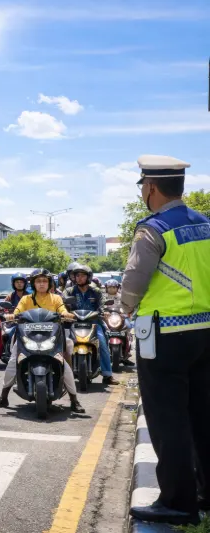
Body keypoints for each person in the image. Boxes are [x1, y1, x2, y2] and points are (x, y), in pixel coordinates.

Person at [125, 155, 210, 526]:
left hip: (164, 336)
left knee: (167, 420)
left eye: (143, 187)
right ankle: (206, 493)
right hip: (205, 332)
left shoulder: (153, 228)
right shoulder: (205, 224)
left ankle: (178, 502)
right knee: (203, 415)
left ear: (151, 188)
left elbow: (134, 280)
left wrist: (124, 307)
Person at [0, 269, 85, 413]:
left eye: (44, 281)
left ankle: (74, 400)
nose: (41, 284)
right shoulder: (26, 299)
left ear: (49, 283)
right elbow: (17, 311)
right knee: (13, 361)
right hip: (27, 337)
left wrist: (67, 314)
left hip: (52, 337)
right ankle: (3, 396)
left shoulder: (56, 298)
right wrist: (12, 316)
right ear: (33, 284)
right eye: (38, 281)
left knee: (65, 365)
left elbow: (62, 309)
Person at [63, 264, 119, 386]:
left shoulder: (96, 291)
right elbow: (62, 303)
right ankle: (62, 374)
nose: (79, 278)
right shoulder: (69, 291)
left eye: (82, 275)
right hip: (74, 323)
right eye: (77, 275)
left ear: (88, 277)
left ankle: (107, 374)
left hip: (94, 323)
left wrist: (104, 312)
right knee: (63, 344)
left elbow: (102, 304)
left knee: (103, 343)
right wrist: (64, 313)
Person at [104, 279, 134, 367]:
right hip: (107, 318)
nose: (111, 289)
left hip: (120, 318)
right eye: (109, 287)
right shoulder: (103, 297)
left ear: (117, 288)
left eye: (114, 287)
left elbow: (127, 306)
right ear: (106, 288)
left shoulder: (121, 297)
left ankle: (128, 349)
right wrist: (103, 313)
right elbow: (100, 307)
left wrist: (126, 313)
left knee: (129, 326)